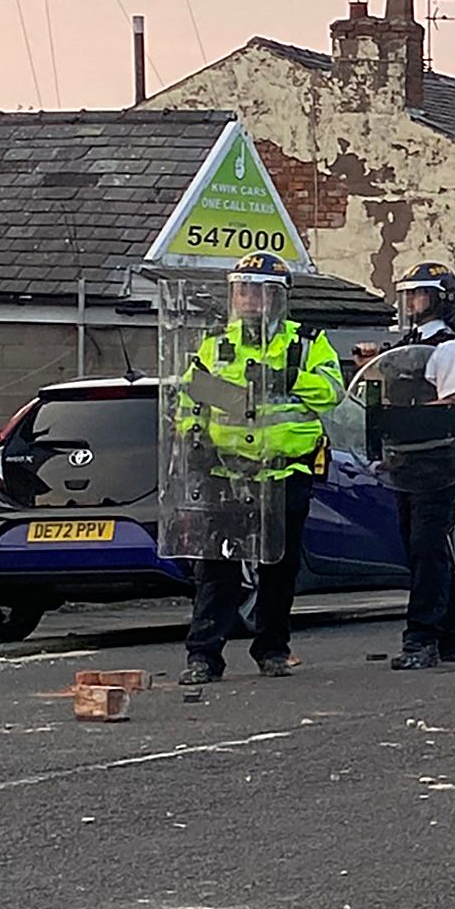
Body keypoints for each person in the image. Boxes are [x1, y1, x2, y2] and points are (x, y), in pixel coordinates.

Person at [176, 253, 344, 686]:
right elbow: (191, 400)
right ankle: (203, 656)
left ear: (276, 298)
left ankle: (272, 649)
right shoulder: (215, 343)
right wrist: (194, 439)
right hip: (227, 474)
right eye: (241, 290)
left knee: (279, 571)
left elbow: (332, 393)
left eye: (257, 290)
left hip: (285, 473)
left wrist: (290, 377)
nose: (248, 299)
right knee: (217, 570)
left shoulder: (306, 343)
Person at [386, 260, 455, 670]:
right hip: (408, 458)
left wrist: (409, 415)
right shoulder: (406, 344)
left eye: (419, 294)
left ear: (441, 300)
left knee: (427, 548)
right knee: (422, 548)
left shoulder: (448, 348)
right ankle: (448, 631)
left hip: (438, 460)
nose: (411, 302)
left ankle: (421, 637)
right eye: (407, 294)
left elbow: (452, 402)